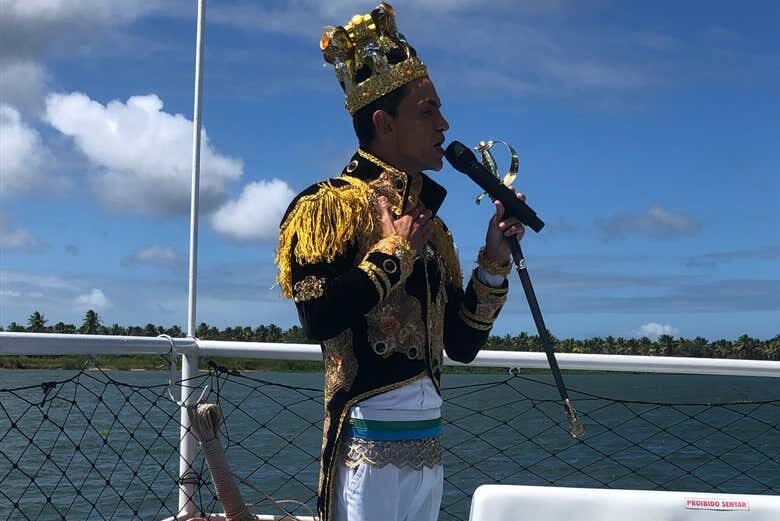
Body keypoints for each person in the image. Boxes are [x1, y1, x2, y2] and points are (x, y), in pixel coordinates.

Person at [275, 4, 526, 520]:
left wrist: (491, 267)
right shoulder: (327, 207)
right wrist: (392, 257)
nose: (444, 124)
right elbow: (317, 319)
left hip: (428, 448)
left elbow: (461, 345)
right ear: (384, 122)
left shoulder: (435, 229)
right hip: (365, 447)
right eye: (428, 111)